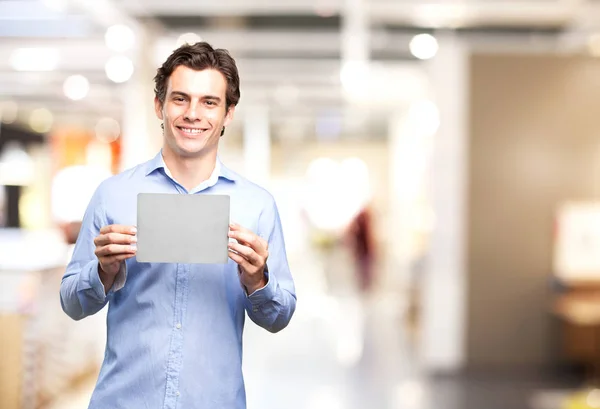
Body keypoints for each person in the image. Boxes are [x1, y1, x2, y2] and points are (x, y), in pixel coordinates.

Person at [60, 42, 297, 409]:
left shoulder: (257, 205)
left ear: (228, 113)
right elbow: (72, 303)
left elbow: (280, 316)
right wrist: (104, 272)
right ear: (160, 105)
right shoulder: (113, 195)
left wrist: (257, 280)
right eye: (180, 99)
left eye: (209, 102)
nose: (192, 114)